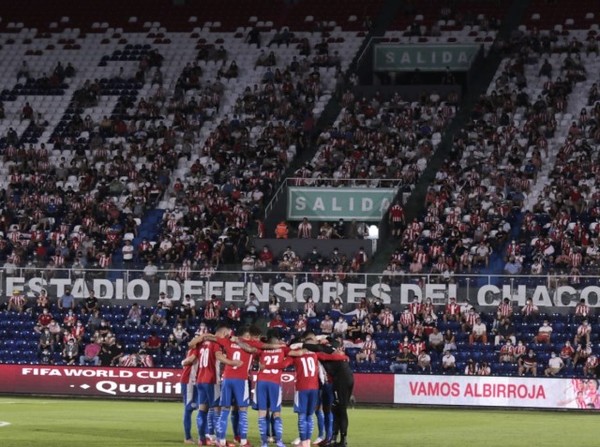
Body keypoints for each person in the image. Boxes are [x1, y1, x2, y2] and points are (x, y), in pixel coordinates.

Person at [254, 331, 290, 447]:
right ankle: (279, 441)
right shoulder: (283, 348)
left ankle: (264, 442)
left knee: (262, 413)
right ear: (278, 339)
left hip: (261, 381)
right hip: (274, 383)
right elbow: (286, 362)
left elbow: (255, 355)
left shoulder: (262, 349)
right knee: (276, 413)